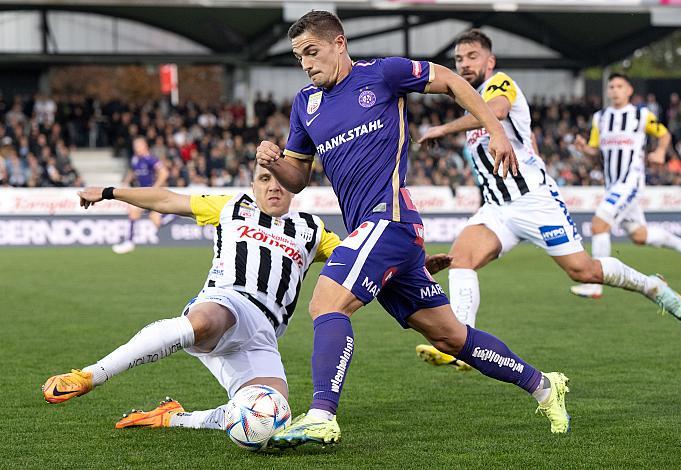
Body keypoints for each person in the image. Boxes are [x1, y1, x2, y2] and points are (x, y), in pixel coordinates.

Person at [257, 11, 571, 446]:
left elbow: (454, 82)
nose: (307, 64)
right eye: (299, 57)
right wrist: (276, 163)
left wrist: (496, 131)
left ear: (339, 44)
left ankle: (321, 415)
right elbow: (296, 180)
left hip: (388, 218)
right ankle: (543, 385)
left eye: (312, 52)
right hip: (385, 235)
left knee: (326, 304)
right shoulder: (304, 105)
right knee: (450, 336)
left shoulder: (384, 74)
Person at [412, 31, 681, 371]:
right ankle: (462, 344)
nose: (464, 64)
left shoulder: (500, 84)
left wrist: (442, 129)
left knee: (583, 271)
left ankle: (651, 286)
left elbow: (496, 112)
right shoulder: (471, 100)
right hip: (498, 208)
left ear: (490, 61)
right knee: (460, 260)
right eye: (458, 59)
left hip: (534, 202)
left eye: (471, 56)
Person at [42, 164, 341, 431]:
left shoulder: (312, 229)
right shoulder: (233, 207)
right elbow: (166, 200)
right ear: (253, 185)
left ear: (294, 185)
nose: (274, 186)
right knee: (208, 320)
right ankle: (90, 375)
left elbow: (356, 256)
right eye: (264, 178)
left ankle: (173, 418)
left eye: (281, 180)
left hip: (263, 336)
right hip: (228, 301)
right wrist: (110, 192)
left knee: (270, 418)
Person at [571, 73, 681, 299]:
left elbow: (663, 134)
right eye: (611, 86)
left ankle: (595, 284)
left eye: (619, 86)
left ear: (629, 90)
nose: (614, 90)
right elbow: (595, 150)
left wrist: (660, 152)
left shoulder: (641, 115)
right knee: (639, 235)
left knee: (598, 226)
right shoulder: (600, 118)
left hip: (630, 182)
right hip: (612, 186)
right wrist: (584, 148)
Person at [112, 137, 169, 254]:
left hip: (153, 194)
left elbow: (164, 173)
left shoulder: (150, 159)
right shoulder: (135, 160)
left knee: (142, 214)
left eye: (138, 145)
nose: (136, 148)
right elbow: (133, 172)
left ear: (145, 146)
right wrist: (125, 183)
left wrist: (155, 188)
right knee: (148, 217)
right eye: (135, 146)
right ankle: (130, 242)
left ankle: (130, 242)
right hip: (144, 193)